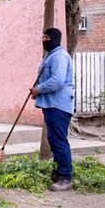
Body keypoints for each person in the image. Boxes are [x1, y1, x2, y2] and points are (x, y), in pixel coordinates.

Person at [30, 27, 75, 192]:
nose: (44, 40)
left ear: (55, 39)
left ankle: (66, 177)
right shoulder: (51, 55)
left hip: (59, 105)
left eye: (47, 37)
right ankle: (58, 172)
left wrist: (39, 89)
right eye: (43, 37)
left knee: (59, 140)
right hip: (51, 104)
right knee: (53, 139)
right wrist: (37, 92)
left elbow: (57, 81)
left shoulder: (59, 56)